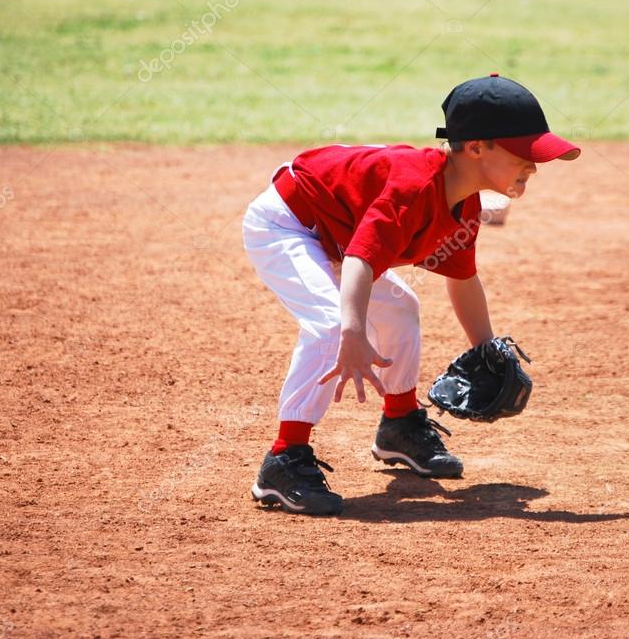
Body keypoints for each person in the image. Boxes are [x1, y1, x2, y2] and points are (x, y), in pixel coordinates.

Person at [241, 73, 580, 515]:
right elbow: (361, 259)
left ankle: (399, 424)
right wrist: (353, 332)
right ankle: (284, 458)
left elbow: (462, 278)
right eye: (523, 153)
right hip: (288, 223)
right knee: (332, 325)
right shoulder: (414, 186)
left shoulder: (465, 203)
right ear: (476, 147)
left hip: (336, 233)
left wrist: (485, 349)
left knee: (400, 307)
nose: (533, 166)